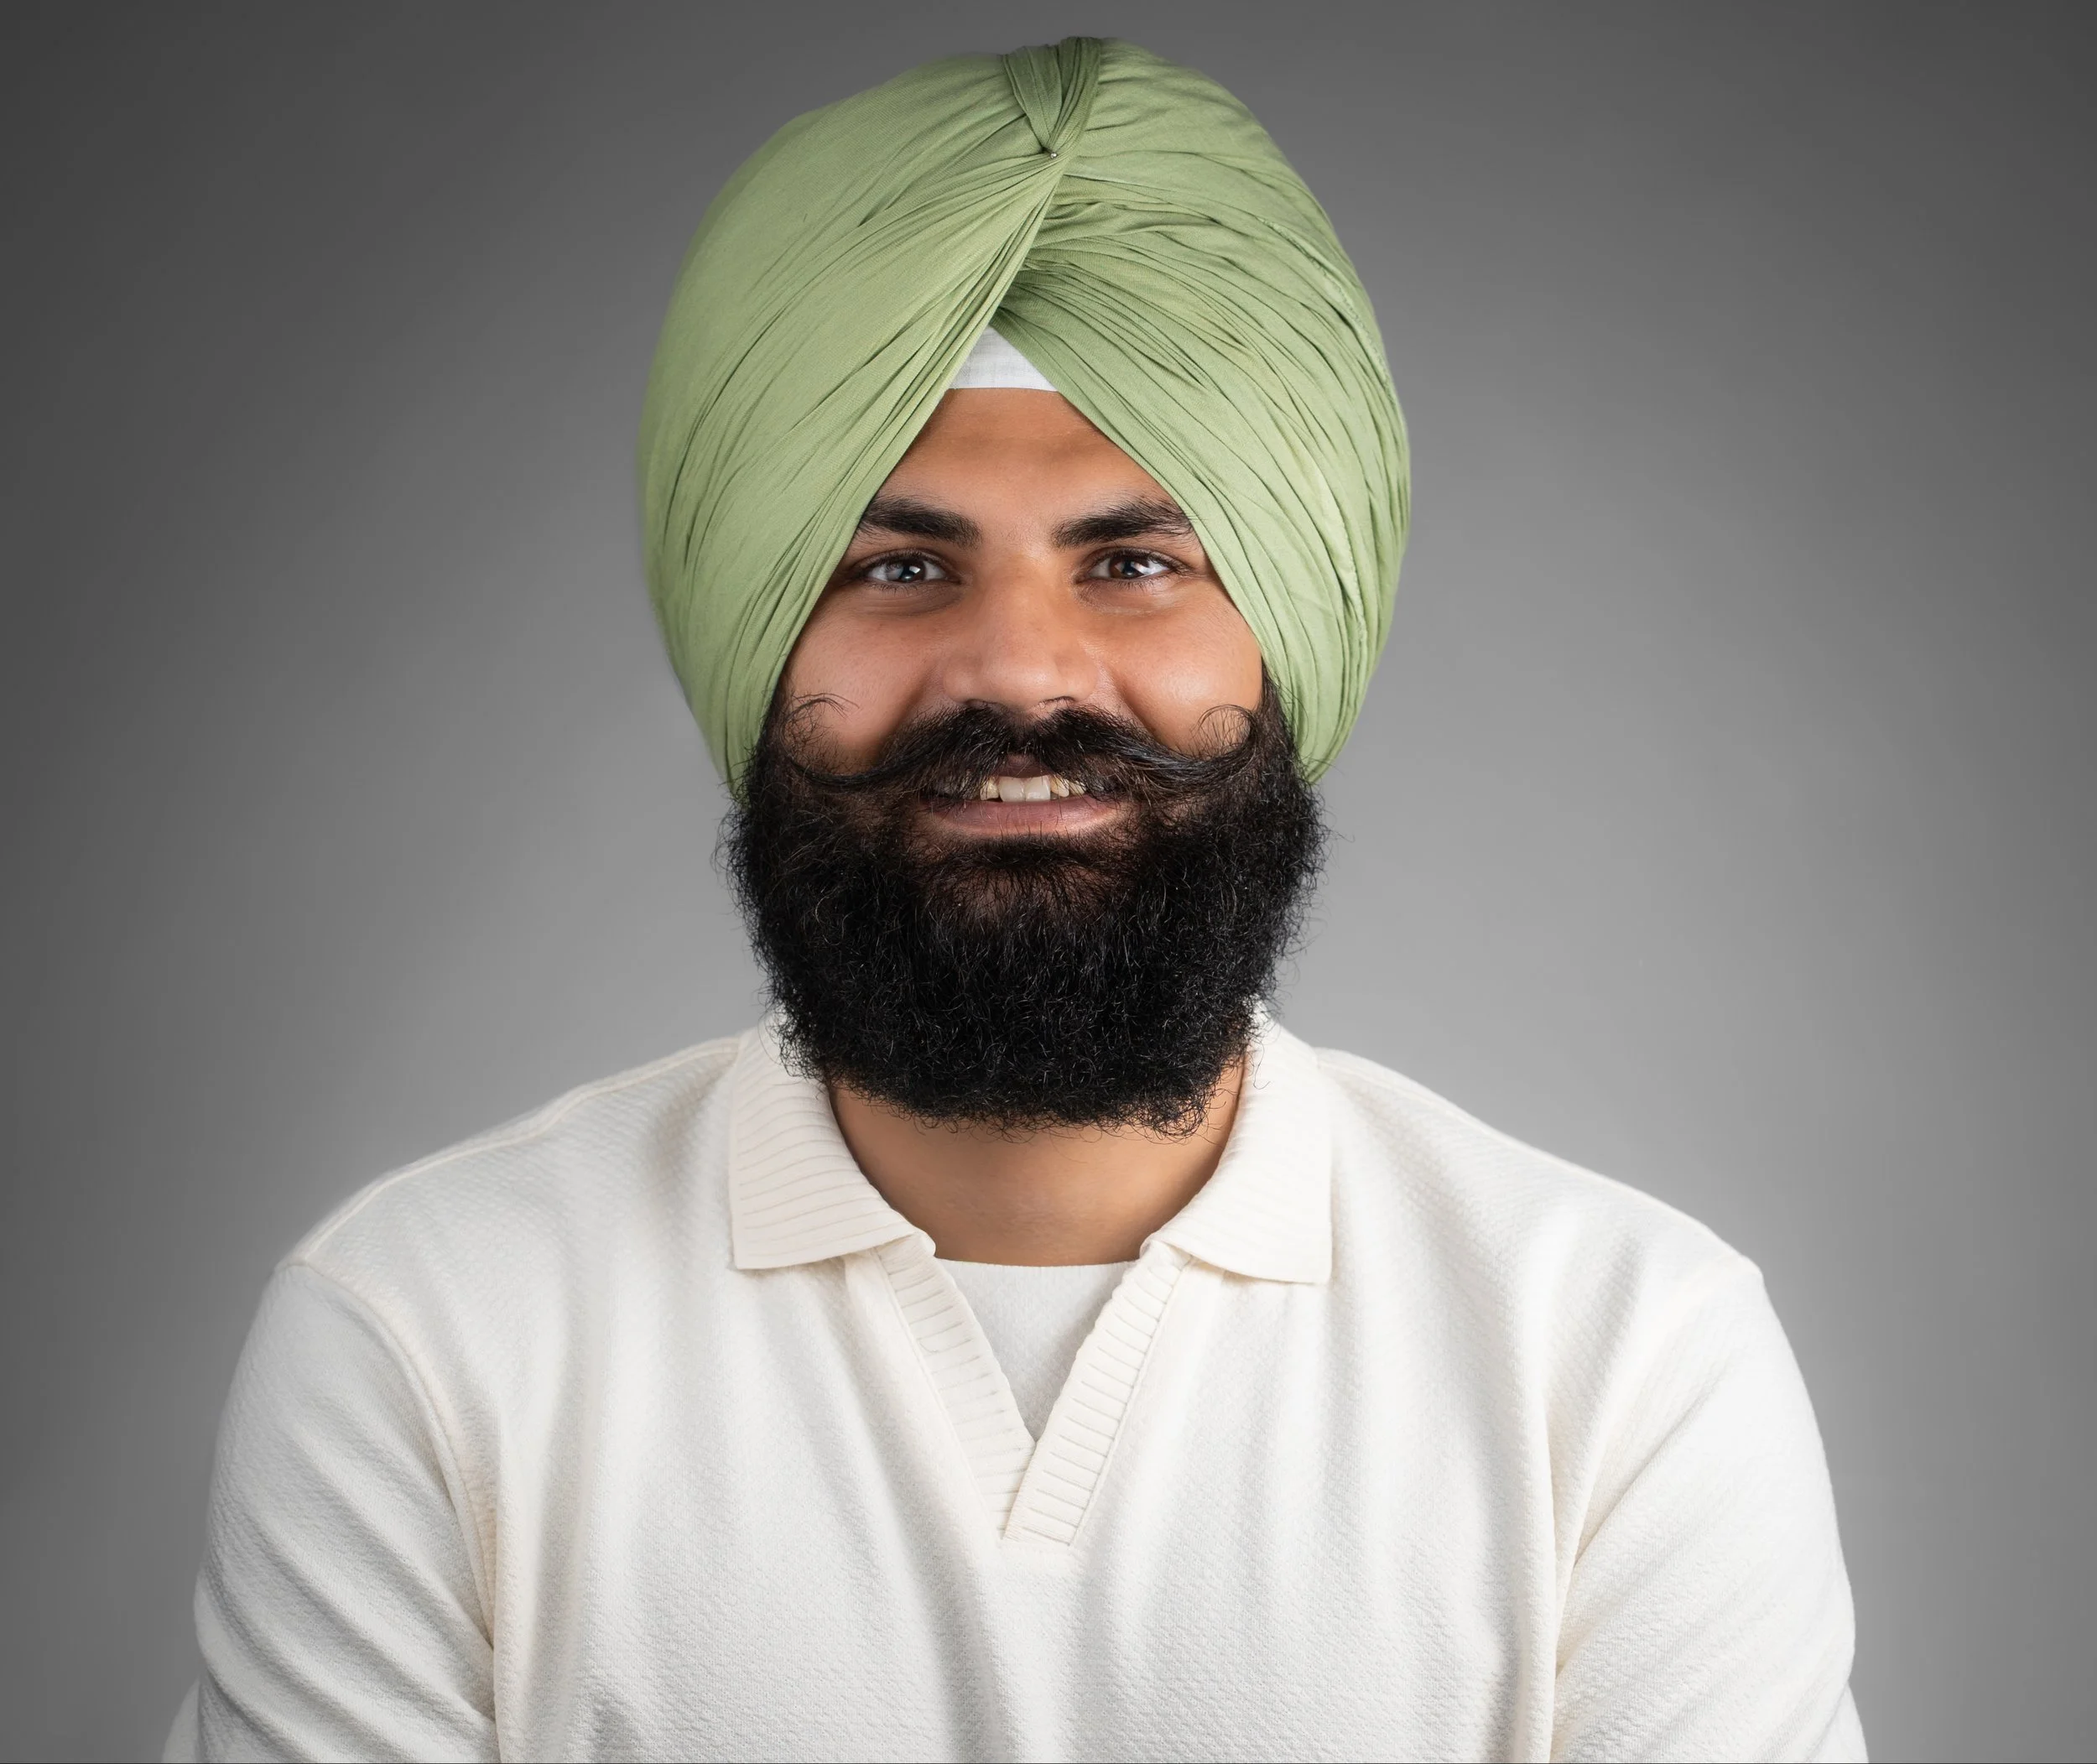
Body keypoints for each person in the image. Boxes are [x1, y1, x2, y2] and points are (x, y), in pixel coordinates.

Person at [165, 38, 1864, 1762]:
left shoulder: (1619, 1362)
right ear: (753, 635)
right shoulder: (428, 1338)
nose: (1021, 673)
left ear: (1285, 631)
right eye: (898, 568)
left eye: (1133, 565)